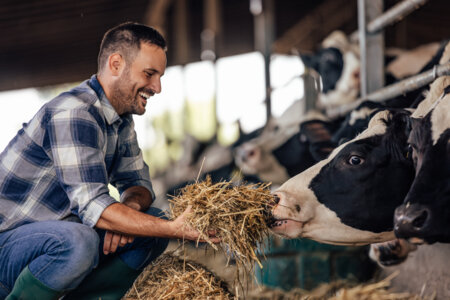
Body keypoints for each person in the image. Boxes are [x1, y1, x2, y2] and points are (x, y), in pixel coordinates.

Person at [0, 22, 218, 300]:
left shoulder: (119, 120)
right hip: (8, 246)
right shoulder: (74, 113)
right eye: (150, 74)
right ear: (116, 64)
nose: (158, 87)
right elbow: (93, 205)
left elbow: (139, 184)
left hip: (53, 237)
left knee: (149, 225)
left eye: (160, 76)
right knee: (79, 242)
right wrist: (173, 229)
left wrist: (130, 208)